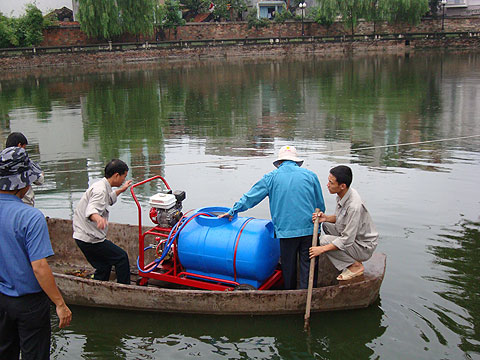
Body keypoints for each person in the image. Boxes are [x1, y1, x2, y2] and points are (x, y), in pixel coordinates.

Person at [0, 146, 72, 360]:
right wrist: (60, 303)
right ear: (22, 182)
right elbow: (39, 267)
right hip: (29, 303)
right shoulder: (30, 217)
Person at [219, 145, 325, 290]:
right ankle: (308, 295)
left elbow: (250, 198)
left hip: (286, 231)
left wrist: (233, 210)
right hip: (309, 229)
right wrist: (317, 228)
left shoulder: (271, 178)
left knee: (288, 267)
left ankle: (290, 295)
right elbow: (320, 206)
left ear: (279, 163)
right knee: (309, 265)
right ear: (296, 162)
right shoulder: (310, 175)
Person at [309, 165, 378, 281]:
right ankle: (348, 257)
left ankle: (355, 266)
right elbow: (341, 218)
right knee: (326, 225)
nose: (327, 185)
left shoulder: (353, 206)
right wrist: (325, 218)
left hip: (363, 246)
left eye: (331, 183)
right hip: (354, 238)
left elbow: (347, 239)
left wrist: (322, 249)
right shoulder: (344, 194)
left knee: (324, 241)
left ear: (342, 186)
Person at [73, 159, 133, 284]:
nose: (123, 180)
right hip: (90, 239)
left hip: (82, 236)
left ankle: (99, 286)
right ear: (116, 175)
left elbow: (109, 199)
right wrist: (98, 218)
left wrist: (122, 189)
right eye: (124, 177)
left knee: (103, 266)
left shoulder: (102, 186)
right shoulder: (100, 191)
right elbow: (91, 210)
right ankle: (125, 288)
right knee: (121, 257)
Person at [5, 132, 45, 207]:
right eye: (24, 147)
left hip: (5, 205)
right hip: (24, 204)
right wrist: (41, 174)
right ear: (19, 145)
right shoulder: (24, 161)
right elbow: (39, 181)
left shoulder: (2, 161)